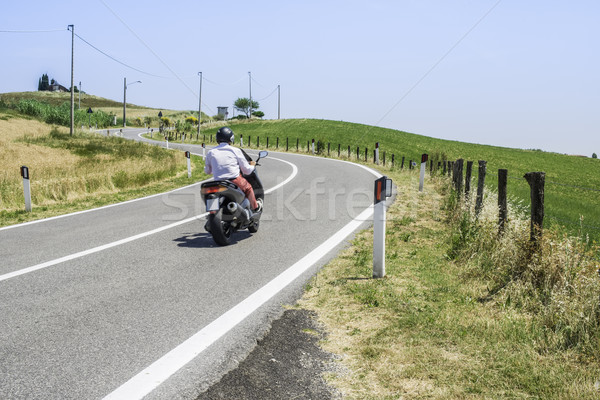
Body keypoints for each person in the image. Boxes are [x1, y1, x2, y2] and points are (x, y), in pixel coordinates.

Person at [204, 126, 260, 212]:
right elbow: (246, 170)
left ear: (217, 138)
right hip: (234, 181)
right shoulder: (235, 150)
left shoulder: (211, 152)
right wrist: (252, 165)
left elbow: (207, 171)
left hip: (217, 183)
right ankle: (255, 207)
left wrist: (217, 169)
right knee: (248, 188)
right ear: (231, 138)